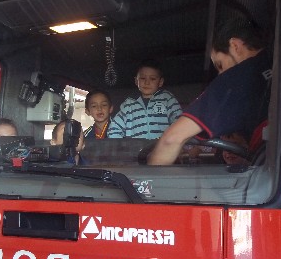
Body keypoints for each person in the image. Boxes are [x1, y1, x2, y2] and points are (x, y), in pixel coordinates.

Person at [148, 20, 271, 165]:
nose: (221, 74)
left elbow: (172, 139)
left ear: (235, 46)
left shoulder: (237, 78)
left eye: (220, 65)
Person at [107, 59, 182, 139]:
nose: (147, 82)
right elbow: (114, 128)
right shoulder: (129, 104)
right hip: (136, 147)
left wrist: (171, 141)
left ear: (160, 82)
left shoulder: (167, 98)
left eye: (152, 79)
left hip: (162, 146)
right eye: (143, 78)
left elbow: (180, 122)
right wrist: (122, 145)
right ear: (136, 81)